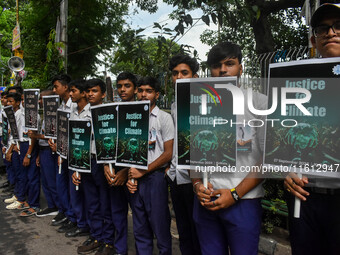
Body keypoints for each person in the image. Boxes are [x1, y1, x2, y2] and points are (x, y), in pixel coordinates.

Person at [191, 42, 265, 255]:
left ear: (241, 68)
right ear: (210, 71)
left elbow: (269, 159)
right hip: (206, 199)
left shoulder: (259, 103)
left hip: (244, 201)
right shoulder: (199, 103)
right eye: (216, 65)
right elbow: (192, 153)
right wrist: (197, 185)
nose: (223, 70)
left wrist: (234, 194)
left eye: (230, 63)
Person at [284, 4, 340, 255]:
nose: (331, 32)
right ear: (313, 39)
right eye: (322, 28)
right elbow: (282, 136)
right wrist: (285, 169)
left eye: (338, 26)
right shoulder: (296, 81)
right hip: (304, 197)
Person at [127, 76, 174, 254]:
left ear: (157, 94)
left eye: (149, 91)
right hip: (135, 175)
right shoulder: (131, 117)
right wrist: (130, 174)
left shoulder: (164, 118)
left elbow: (168, 153)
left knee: (159, 222)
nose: (144, 94)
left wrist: (144, 170)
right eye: (140, 91)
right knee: (139, 224)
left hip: (155, 177)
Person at [72, 78, 115, 255]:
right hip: (85, 160)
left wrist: (109, 164)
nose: (90, 94)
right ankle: (96, 236)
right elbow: (76, 141)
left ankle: (109, 241)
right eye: (88, 91)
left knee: (106, 203)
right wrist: (76, 167)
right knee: (92, 203)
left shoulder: (108, 112)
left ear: (103, 94)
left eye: (95, 91)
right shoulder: (78, 113)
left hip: (102, 162)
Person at [166, 54, 202, 255]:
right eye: (175, 73)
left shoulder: (205, 102)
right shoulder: (174, 105)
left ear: (195, 77)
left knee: (199, 229)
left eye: (184, 72)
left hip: (195, 178)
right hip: (175, 176)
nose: (179, 76)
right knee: (183, 228)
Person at [103, 71, 137, 255]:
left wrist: (127, 170)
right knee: (117, 214)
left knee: (141, 219)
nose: (122, 90)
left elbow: (143, 149)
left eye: (127, 86)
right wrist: (105, 166)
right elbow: (105, 140)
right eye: (120, 86)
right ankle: (120, 249)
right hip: (114, 171)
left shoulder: (141, 112)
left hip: (136, 173)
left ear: (136, 89)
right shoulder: (112, 111)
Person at [60, 79, 90, 238]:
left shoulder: (92, 112)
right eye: (70, 91)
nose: (70, 94)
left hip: (87, 160)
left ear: (84, 93)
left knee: (88, 196)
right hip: (73, 157)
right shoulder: (72, 112)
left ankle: (89, 226)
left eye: (74, 91)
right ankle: (80, 223)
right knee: (75, 193)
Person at [50, 74, 78, 231]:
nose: (54, 90)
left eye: (56, 86)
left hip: (73, 154)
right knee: (62, 186)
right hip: (61, 154)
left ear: (65, 87)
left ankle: (75, 218)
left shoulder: (74, 107)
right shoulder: (61, 106)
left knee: (73, 188)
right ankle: (68, 214)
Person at [30, 90, 60, 217]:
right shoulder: (45, 115)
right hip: (42, 151)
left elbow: (52, 135)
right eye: (40, 99)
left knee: (52, 182)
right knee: (46, 181)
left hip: (50, 151)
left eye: (42, 99)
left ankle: (58, 207)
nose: (40, 102)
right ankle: (51, 205)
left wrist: (36, 136)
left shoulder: (55, 115)